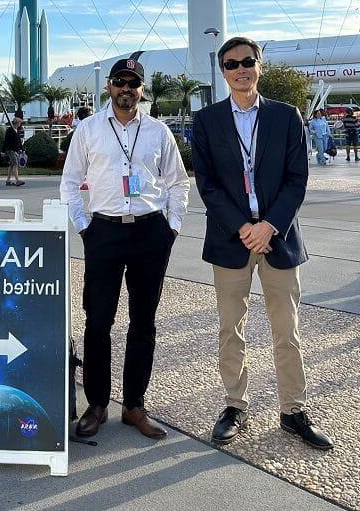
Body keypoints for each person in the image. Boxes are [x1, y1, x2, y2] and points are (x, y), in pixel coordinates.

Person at [192, 36, 333, 451]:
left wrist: (269, 225)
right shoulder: (207, 120)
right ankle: (235, 405)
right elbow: (207, 184)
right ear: (222, 72)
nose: (241, 69)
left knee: (286, 329)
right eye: (232, 64)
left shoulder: (286, 116)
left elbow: (297, 179)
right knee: (229, 328)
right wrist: (243, 227)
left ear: (260, 66)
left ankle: (293, 409)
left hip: (279, 237)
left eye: (248, 61)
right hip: (231, 238)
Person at [60, 57, 190, 440]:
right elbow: (69, 182)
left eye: (133, 82)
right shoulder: (88, 130)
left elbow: (178, 182)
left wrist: (172, 226)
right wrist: (84, 227)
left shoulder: (158, 131)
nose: (126, 88)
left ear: (142, 89)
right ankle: (97, 404)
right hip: (104, 232)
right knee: (98, 321)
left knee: (143, 322)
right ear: (109, 87)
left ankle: (134, 404)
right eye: (119, 81)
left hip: (151, 232)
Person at [2, 117, 25, 187]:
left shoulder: (16, 130)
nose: (20, 124)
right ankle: (17, 180)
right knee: (15, 163)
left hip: (14, 150)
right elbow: (5, 141)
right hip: (9, 149)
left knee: (11, 165)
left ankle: (8, 181)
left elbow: (18, 141)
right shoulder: (10, 130)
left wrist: (22, 149)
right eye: (20, 123)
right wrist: (2, 151)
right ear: (17, 123)